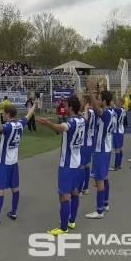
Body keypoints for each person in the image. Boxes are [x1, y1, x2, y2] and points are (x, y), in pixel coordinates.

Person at [0, 99, 37, 225]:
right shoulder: (20, 124)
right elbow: (28, 115)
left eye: (4, 113)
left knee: (0, 189)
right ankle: (13, 211)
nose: (2, 115)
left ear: (8, 114)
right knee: (15, 188)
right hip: (14, 162)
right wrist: (34, 106)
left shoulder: (8, 126)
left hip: (4, 162)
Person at [37, 95, 85, 234]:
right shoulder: (82, 119)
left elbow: (62, 127)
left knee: (64, 195)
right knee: (74, 192)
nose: (65, 107)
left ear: (70, 107)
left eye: (67, 105)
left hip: (67, 164)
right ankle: (72, 221)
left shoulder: (71, 122)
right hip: (77, 162)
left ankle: (63, 228)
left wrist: (49, 124)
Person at [85, 90, 115, 219]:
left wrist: (91, 92)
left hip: (101, 150)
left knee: (99, 180)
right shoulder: (112, 111)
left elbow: (97, 109)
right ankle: (105, 203)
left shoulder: (106, 113)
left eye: (100, 99)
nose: (98, 101)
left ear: (103, 101)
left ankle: (99, 210)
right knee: (105, 177)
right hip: (106, 149)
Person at [79, 96, 95, 196]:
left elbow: (85, 119)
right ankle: (86, 188)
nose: (81, 102)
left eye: (82, 100)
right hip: (89, 141)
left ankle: (80, 189)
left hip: (84, 142)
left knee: (81, 166)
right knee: (87, 165)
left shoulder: (87, 113)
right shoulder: (93, 112)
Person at [111, 96, 127, 171]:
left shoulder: (119, 110)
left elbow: (112, 106)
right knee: (119, 148)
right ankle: (119, 164)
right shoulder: (122, 110)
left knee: (117, 149)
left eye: (117, 101)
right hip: (120, 130)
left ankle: (116, 165)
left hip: (117, 131)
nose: (116, 102)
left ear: (120, 102)